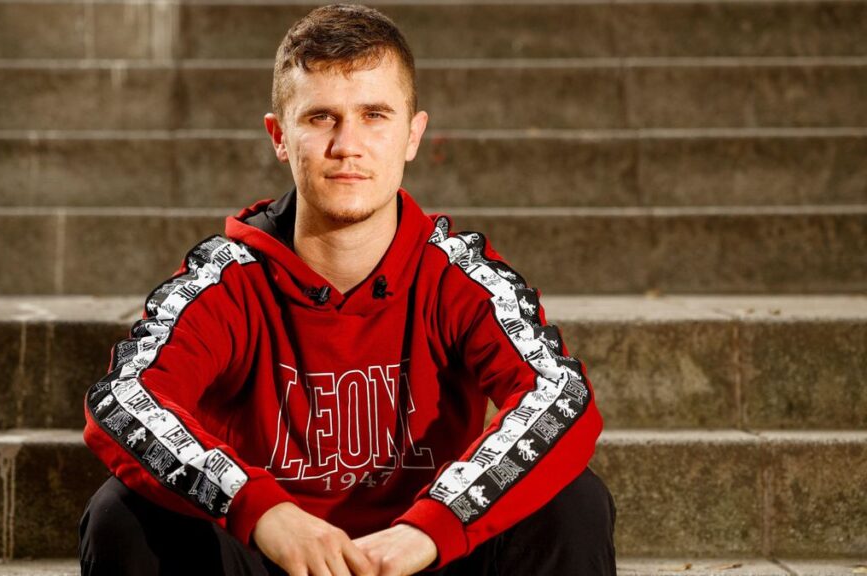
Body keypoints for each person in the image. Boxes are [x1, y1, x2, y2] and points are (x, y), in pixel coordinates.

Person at [78, 4, 616, 575]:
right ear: (279, 136)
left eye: (374, 115)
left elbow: (560, 397)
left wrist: (433, 525)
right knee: (123, 514)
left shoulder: (457, 275)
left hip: (423, 561)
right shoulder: (226, 280)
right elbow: (123, 398)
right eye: (320, 118)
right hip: (269, 561)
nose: (347, 145)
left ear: (413, 135)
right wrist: (261, 510)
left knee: (573, 502)